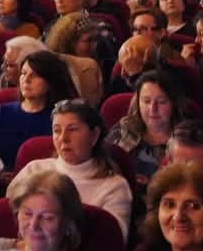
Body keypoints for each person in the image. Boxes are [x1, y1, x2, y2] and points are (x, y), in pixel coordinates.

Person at [21, 100, 135, 239]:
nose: (63, 138)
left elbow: (112, 244)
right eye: (57, 130)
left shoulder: (114, 187)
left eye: (72, 129)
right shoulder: (33, 170)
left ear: (94, 135)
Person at [109, 71, 184, 196]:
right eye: (146, 101)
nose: (152, 109)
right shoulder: (124, 129)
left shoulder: (185, 141)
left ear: (174, 104)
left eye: (161, 102)